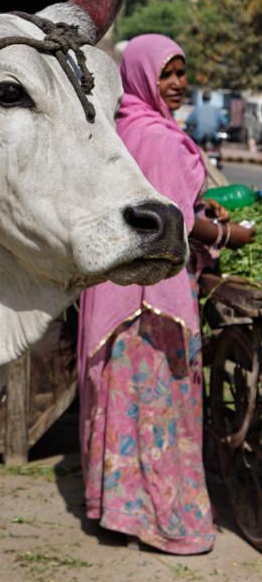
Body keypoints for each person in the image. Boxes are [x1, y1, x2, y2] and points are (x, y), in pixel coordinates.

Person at [78, 34, 255, 555]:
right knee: (158, 402)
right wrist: (227, 235)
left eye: (181, 73)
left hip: (114, 289)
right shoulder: (157, 138)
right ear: (141, 76)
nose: (177, 85)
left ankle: (117, 510)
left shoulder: (122, 129)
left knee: (119, 397)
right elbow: (170, 219)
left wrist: (204, 213)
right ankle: (164, 516)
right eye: (167, 74)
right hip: (152, 298)